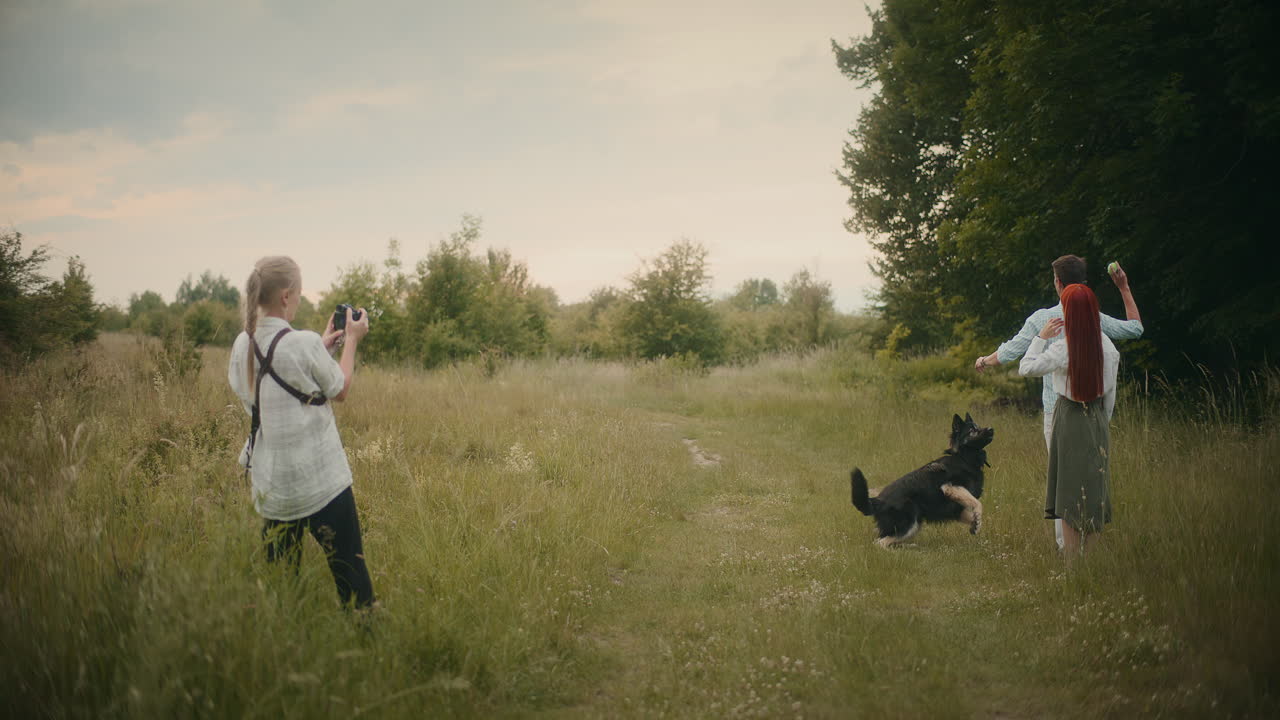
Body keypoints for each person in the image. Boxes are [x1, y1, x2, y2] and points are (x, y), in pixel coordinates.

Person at [227, 256, 376, 609]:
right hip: (321, 482)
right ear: (285, 296)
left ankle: (285, 644)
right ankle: (366, 634)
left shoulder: (241, 345)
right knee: (351, 577)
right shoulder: (302, 343)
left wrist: (323, 348)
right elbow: (340, 389)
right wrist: (352, 340)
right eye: (298, 293)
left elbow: (260, 388)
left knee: (282, 589)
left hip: (273, 488)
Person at [974, 255, 1141, 548]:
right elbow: (1135, 329)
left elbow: (1014, 352)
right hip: (1096, 415)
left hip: (1058, 413)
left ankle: (1068, 551)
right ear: (1084, 283)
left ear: (1058, 283)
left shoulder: (1044, 320)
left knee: (1062, 483)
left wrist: (985, 360)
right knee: (1090, 480)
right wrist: (1124, 288)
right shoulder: (1095, 318)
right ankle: (1084, 547)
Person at [1018, 283, 1118, 563]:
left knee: (1068, 492)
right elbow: (1110, 397)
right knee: (1094, 490)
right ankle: (1092, 562)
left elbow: (1026, 367)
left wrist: (1041, 337)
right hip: (1097, 419)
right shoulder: (1109, 347)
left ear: (1069, 314)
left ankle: (1074, 566)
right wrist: (1101, 424)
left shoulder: (1064, 348)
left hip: (1068, 418)